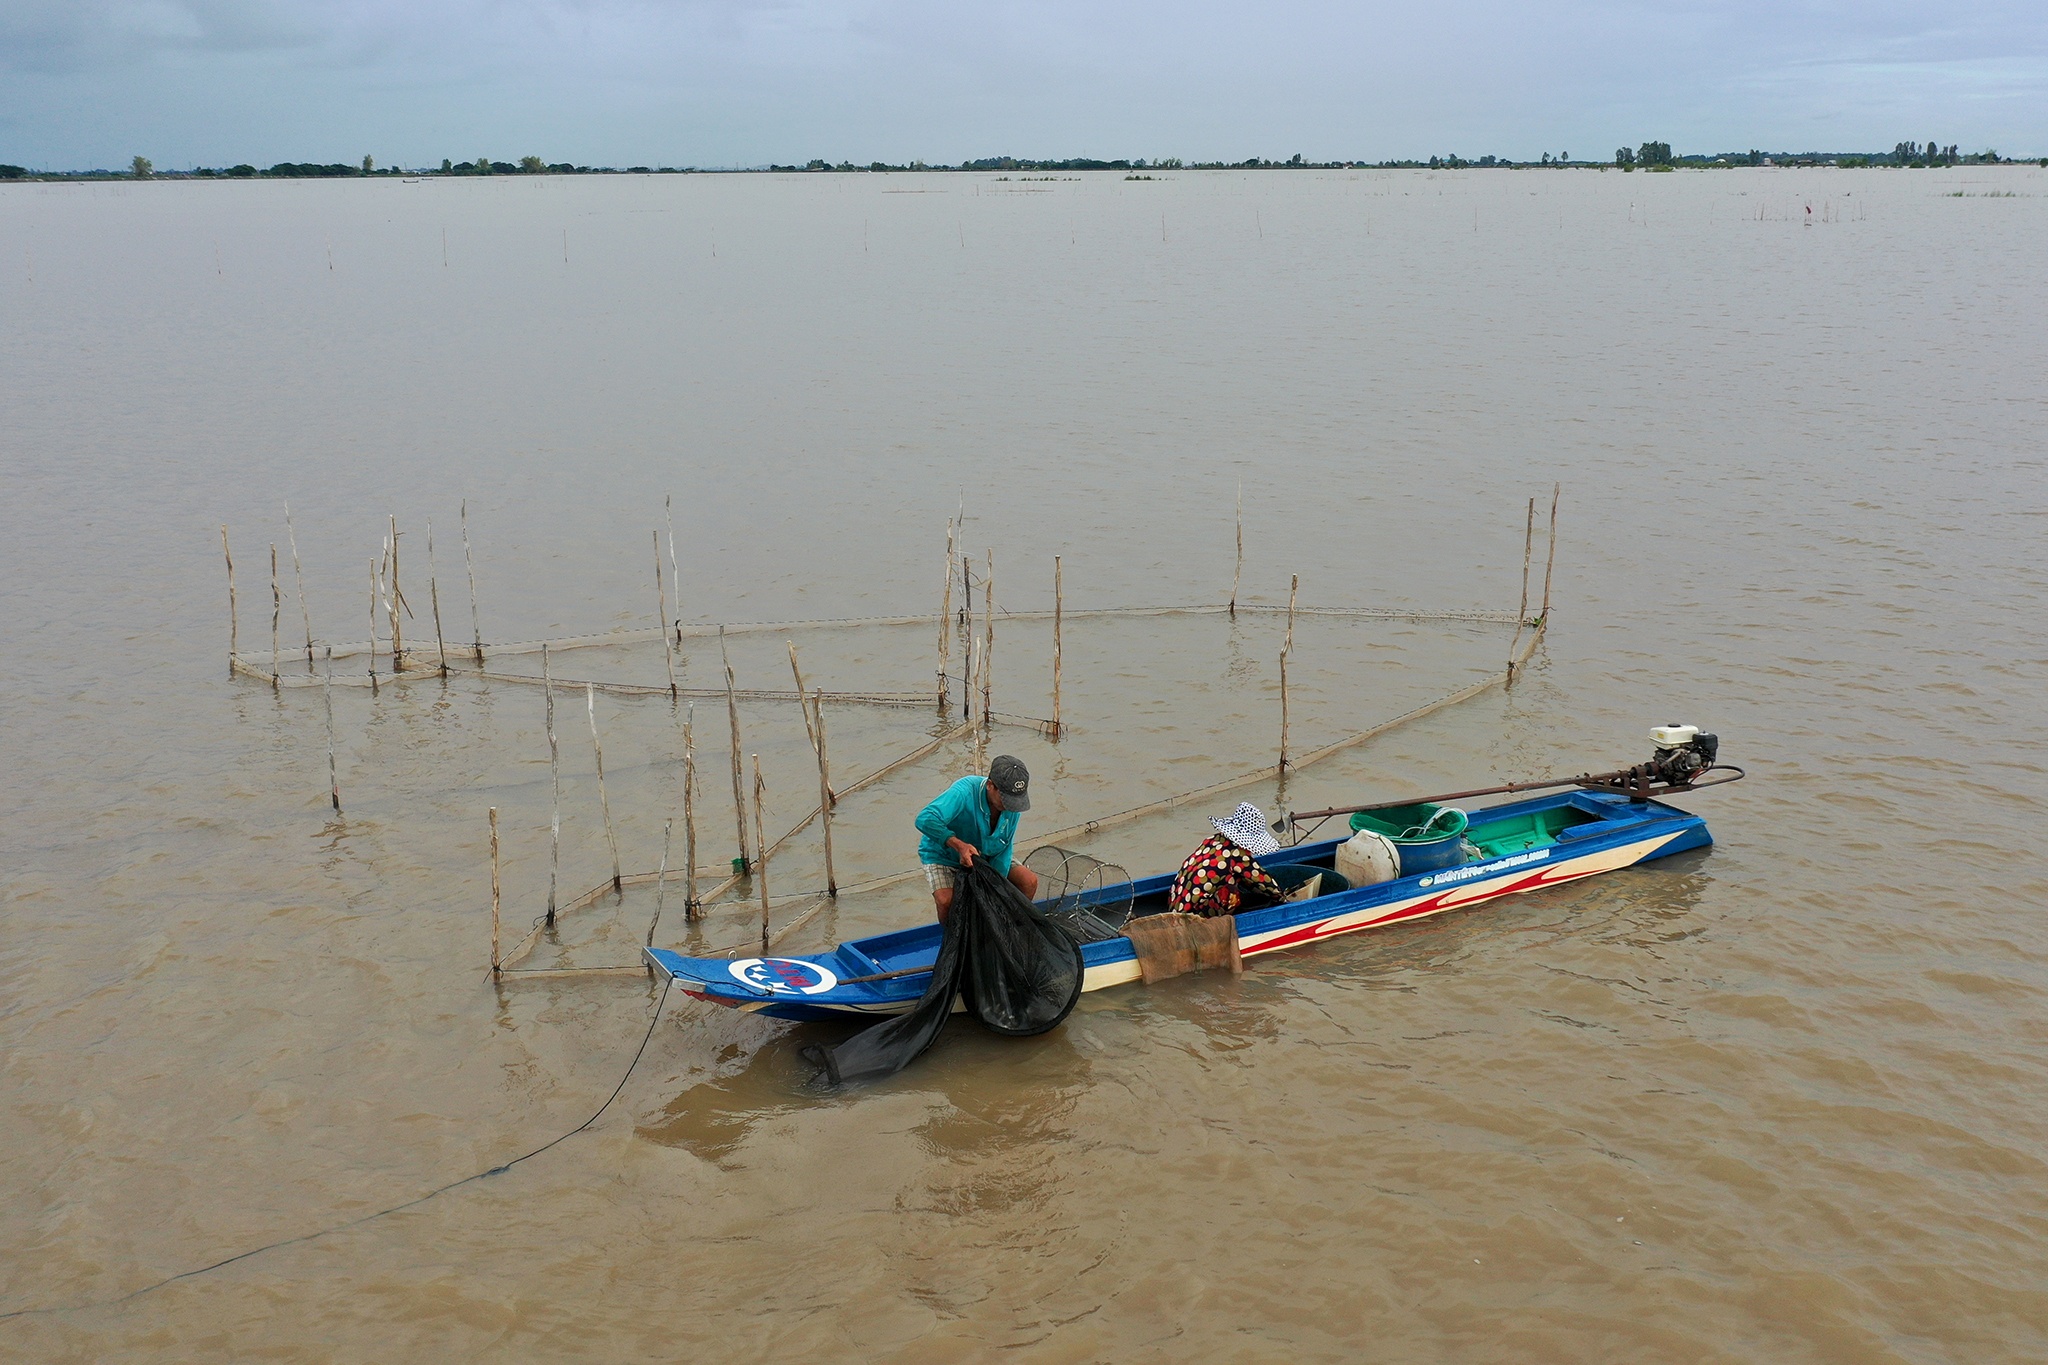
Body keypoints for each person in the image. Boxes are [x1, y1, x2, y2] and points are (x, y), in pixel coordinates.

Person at [915, 755, 1041, 923]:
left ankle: (1009, 931)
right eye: (1006, 800)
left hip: (987, 852)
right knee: (947, 902)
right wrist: (958, 845)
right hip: (944, 855)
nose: (1011, 807)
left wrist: (995, 888)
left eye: (1015, 801)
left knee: (1029, 882)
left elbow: (1004, 849)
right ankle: (953, 941)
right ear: (991, 786)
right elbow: (925, 819)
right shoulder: (963, 792)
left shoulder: (1013, 806)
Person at [1169, 802, 1285, 918]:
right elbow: (1262, 881)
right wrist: (1281, 897)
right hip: (1195, 915)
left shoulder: (1213, 840)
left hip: (1178, 903)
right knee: (1231, 891)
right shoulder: (1237, 855)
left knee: (1233, 878)